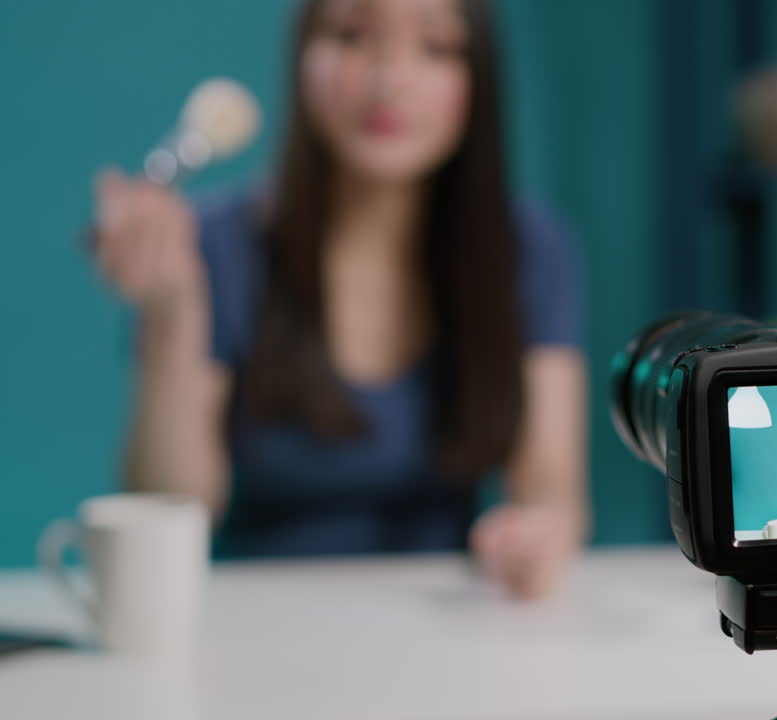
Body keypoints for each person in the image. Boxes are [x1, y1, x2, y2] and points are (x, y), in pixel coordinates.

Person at [89, 0, 586, 598]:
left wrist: (536, 534)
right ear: (302, 57)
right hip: (252, 631)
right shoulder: (215, 248)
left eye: (435, 48)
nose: (389, 79)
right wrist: (171, 312)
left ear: (479, 75)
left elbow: (550, 481)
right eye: (353, 37)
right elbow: (172, 508)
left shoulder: (529, 251)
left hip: (451, 629)